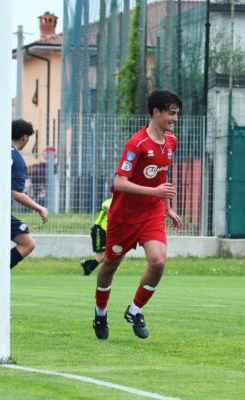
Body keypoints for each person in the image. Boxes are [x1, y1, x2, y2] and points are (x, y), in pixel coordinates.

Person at [92, 90, 182, 340]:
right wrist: (154, 191)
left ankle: (135, 310)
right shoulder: (136, 144)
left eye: (176, 114)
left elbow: (161, 178)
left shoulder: (171, 142)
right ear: (156, 112)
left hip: (151, 213)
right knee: (109, 265)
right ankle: (100, 313)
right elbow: (119, 183)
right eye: (171, 114)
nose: (175, 119)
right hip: (124, 217)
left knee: (158, 261)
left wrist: (167, 208)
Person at [0, 119, 49, 313]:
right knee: (27, 243)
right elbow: (15, 193)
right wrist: (40, 208)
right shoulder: (17, 160)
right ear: (25, 138)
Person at [80, 190, 113, 276]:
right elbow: (105, 205)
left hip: (104, 232)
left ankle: (86, 264)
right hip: (99, 229)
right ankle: (87, 271)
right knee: (101, 257)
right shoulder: (109, 202)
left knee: (103, 257)